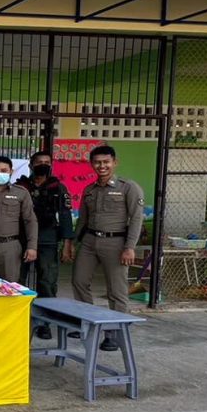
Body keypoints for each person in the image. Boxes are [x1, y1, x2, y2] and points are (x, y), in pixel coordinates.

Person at [64, 145, 145, 351]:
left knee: (116, 290)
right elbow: (82, 220)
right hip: (89, 241)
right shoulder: (89, 190)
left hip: (116, 244)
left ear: (114, 162)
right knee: (79, 281)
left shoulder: (128, 187)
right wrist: (73, 242)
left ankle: (113, 333)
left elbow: (136, 219)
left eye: (106, 162)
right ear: (92, 164)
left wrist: (130, 247)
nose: (102, 166)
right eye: (97, 162)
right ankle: (86, 323)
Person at [16, 151, 76, 339]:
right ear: (31, 165)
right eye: (39, 162)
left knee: (47, 283)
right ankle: (19, 320)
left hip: (48, 240)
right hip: (21, 240)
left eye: (47, 162)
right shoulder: (20, 187)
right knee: (17, 282)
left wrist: (67, 243)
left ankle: (44, 323)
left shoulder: (58, 188)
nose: (43, 165)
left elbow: (65, 216)